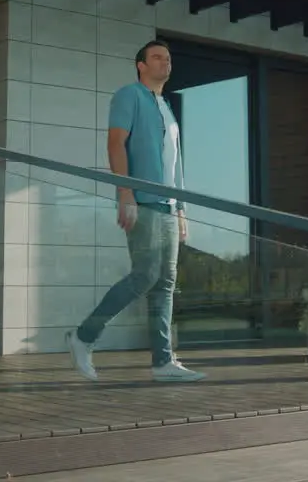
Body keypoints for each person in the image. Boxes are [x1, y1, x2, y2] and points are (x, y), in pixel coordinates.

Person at [66, 40, 205, 383]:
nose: (165, 64)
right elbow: (115, 143)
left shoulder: (167, 107)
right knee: (145, 275)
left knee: (165, 284)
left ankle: (162, 361)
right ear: (140, 65)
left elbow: (177, 164)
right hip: (142, 200)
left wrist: (182, 208)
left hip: (170, 206)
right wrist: (125, 193)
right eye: (157, 58)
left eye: (169, 59)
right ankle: (84, 336)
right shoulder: (129, 96)